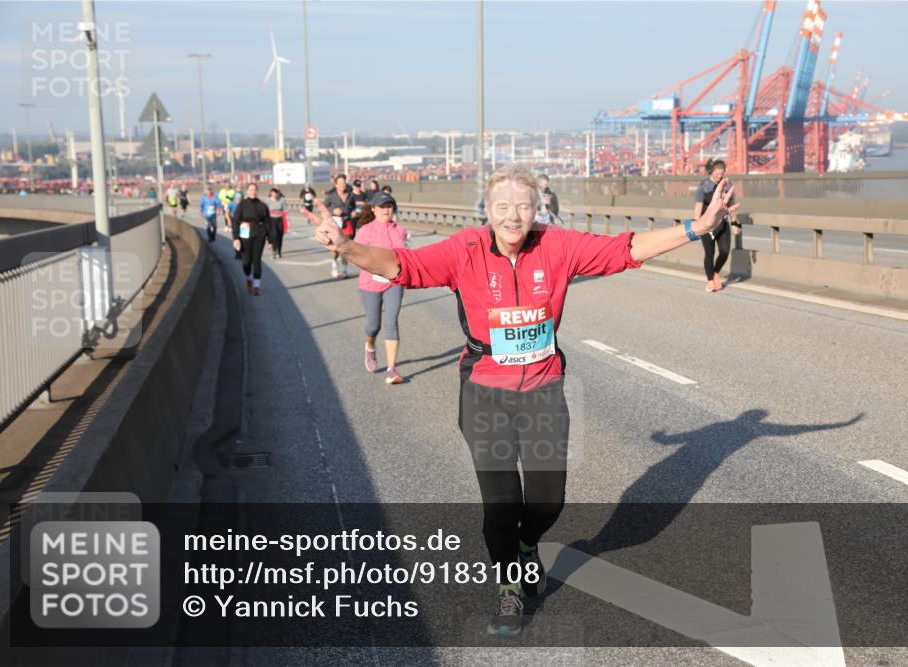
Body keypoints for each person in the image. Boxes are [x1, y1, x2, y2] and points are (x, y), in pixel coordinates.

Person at [310, 165, 734, 636]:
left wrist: (698, 227)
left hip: (544, 389)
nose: (513, 217)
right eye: (502, 207)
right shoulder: (465, 249)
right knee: (501, 503)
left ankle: (530, 543)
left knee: (548, 501)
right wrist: (346, 247)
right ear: (488, 211)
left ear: (538, 209)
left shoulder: (557, 244)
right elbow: (401, 267)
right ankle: (508, 587)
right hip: (485, 391)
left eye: (523, 207)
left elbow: (627, 249)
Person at [308, 194, 408, 383]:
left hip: (394, 283)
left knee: (392, 322)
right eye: (382, 206)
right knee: (373, 325)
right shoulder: (365, 231)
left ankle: (392, 369)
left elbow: (405, 256)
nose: (386, 209)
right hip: (370, 283)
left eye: (389, 206)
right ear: (374, 209)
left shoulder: (400, 231)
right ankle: (370, 346)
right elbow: (354, 254)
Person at [694, 158, 741, 292]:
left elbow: (732, 204)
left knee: (725, 251)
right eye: (718, 173)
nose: (720, 176)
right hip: (706, 224)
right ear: (712, 171)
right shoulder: (704, 186)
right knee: (709, 253)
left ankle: (714, 273)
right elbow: (698, 206)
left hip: (722, 223)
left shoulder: (727, 184)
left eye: (722, 173)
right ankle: (710, 281)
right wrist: (698, 225)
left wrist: (734, 222)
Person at [231, 183, 270, 295]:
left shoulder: (262, 205)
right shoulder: (242, 205)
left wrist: (270, 240)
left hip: (259, 235)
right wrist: (235, 238)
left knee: (257, 260)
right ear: (247, 192)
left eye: (254, 189)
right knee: (246, 262)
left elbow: (268, 223)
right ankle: (249, 278)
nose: (253, 191)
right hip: (245, 236)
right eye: (250, 190)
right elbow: (236, 222)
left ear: (257, 191)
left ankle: (256, 286)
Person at [323, 174, 357, 278]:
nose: (343, 185)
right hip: (336, 224)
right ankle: (334, 263)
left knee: (345, 248)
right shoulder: (331, 196)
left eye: (344, 182)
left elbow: (354, 206)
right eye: (340, 183)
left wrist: (353, 211)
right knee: (335, 248)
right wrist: (332, 211)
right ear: (336, 184)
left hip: (347, 223)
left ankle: (344, 270)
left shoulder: (350, 195)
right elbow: (323, 208)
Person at [266, 187, 287, 259]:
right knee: (274, 235)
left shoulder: (282, 200)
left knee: (280, 236)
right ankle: (274, 251)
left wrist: (287, 222)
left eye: (276, 192)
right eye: (273, 192)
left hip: (280, 219)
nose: (274, 194)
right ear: (271, 193)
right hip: (271, 220)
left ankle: (279, 251)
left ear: (278, 193)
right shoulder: (268, 200)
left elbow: (285, 210)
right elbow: (265, 211)